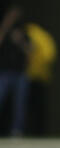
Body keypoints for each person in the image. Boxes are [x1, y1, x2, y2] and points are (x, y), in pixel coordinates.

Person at [0, 5, 31, 137]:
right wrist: (5, 27)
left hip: (20, 73)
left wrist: (20, 41)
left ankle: (17, 130)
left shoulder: (23, 31)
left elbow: (30, 50)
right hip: (4, 72)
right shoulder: (3, 30)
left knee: (19, 104)